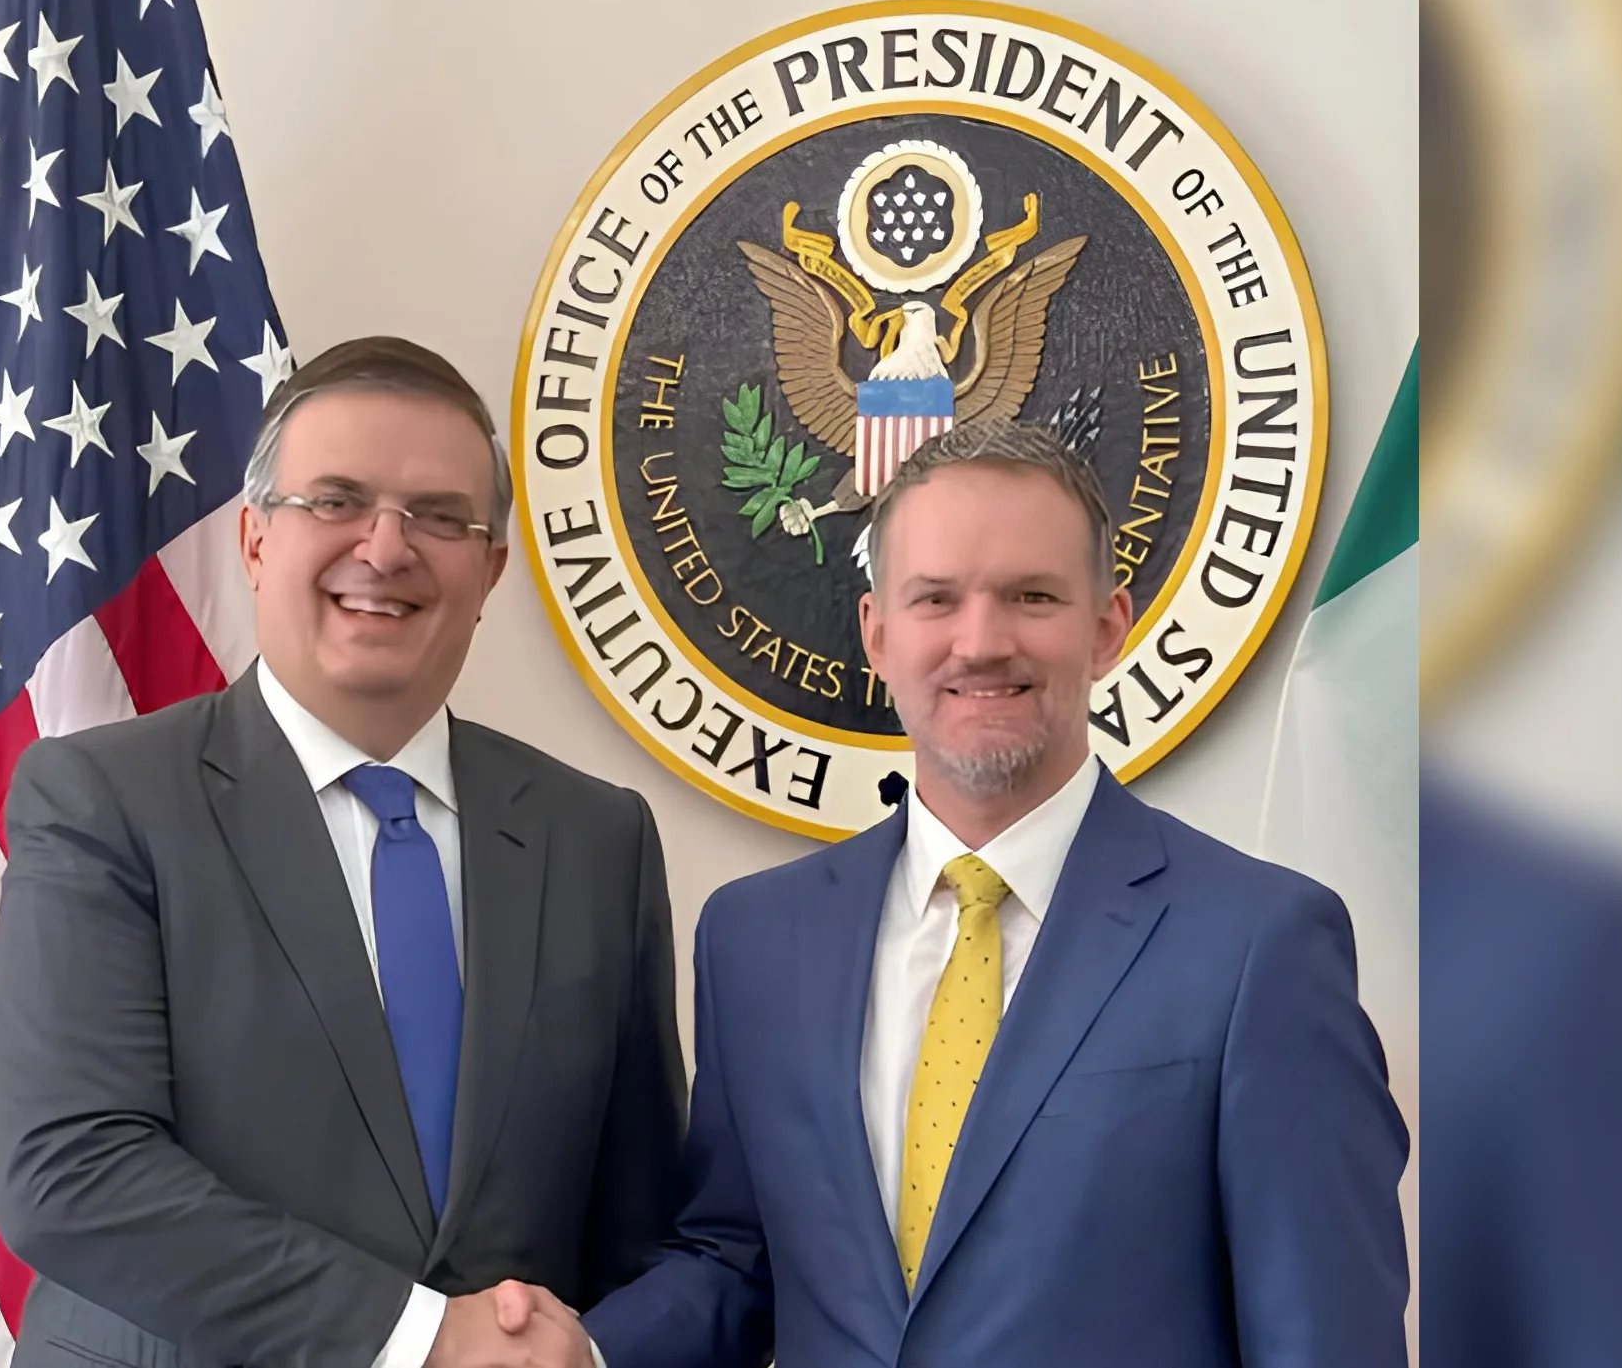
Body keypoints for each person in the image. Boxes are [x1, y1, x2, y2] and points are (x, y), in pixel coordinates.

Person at [529, 421, 1410, 1366]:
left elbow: (1326, 1336)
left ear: (1107, 626)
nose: (981, 642)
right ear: (878, 634)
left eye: (1033, 596)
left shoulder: (1260, 943)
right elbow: (740, 1260)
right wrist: (582, 1351)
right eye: (936, 599)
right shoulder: (755, 938)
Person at [0, 337, 680, 1368]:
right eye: (337, 500)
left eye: (438, 515)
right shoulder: (102, 801)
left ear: (490, 569)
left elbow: (636, 1230)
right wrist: (423, 1336)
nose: (386, 548)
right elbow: (70, 1168)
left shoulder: (596, 839)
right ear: (256, 538)